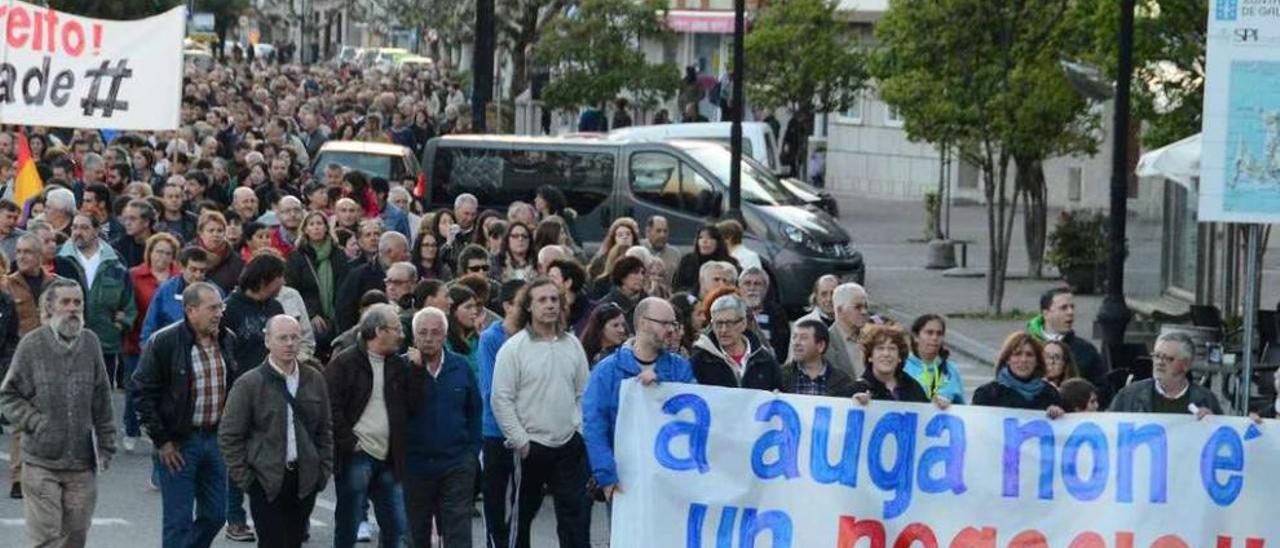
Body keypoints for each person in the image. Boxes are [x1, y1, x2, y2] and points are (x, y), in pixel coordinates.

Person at [0, 278, 116, 548]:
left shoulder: (90, 343)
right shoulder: (32, 345)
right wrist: (36, 422)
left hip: (81, 463)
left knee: (75, 536)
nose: (73, 308)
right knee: (47, 537)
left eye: (78, 303)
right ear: (49, 307)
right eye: (65, 302)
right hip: (41, 461)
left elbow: (102, 397)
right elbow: (8, 395)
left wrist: (107, 443)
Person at [132, 281, 240, 548]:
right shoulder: (165, 342)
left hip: (215, 441)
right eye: (212, 308)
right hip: (179, 444)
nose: (219, 313)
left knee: (215, 515)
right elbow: (142, 393)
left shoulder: (227, 339)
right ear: (191, 311)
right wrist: (162, 442)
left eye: (220, 307)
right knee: (177, 522)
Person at [490, 277, 592, 548]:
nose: (549, 305)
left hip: (569, 446)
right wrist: (521, 441)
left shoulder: (573, 345)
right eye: (542, 300)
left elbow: (584, 393)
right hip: (531, 448)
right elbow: (501, 399)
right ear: (529, 307)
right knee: (521, 518)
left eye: (554, 299)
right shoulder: (514, 348)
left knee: (575, 519)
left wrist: (579, 431)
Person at [219, 315, 333, 548]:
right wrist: (247, 480)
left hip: (304, 479)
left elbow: (325, 429)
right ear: (267, 341)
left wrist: (322, 471)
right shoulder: (249, 384)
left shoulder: (314, 379)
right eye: (282, 338)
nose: (290, 343)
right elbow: (230, 436)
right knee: (272, 542)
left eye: (294, 337)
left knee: (293, 542)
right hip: (265, 479)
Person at [583, 297, 694, 502]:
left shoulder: (679, 367)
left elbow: (694, 409)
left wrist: (662, 388)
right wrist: (606, 475)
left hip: (670, 477)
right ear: (643, 323)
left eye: (673, 323)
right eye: (665, 323)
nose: (671, 329)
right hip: (625, 477)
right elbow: (595, 424)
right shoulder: (607, 370)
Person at [325, 303, 413, 548]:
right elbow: (330, 407)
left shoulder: (400, 365)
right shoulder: (344, 363)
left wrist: (417, 372)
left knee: (397, 527)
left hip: (390, 457)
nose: (402, 334)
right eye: (396, 329)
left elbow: (414, 405)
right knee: (349, 524)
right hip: (357, 454)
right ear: (378, 331)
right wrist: (349, 442)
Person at [402, 307, 482, 548]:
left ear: (444, 335)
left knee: (458, 532)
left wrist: (471, 454)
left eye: (435, 332)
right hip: (415, 465)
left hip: (456, 463)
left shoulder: (460, 367)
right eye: (422, 333)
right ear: (414, 336)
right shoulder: (401, 368)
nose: (428, 338)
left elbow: (474, 411)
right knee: (416, 533)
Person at [54, 212, 137, 389]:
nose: (78, 232)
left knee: (101, 400)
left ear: (96, 230)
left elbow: (129, 302)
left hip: (104, 344)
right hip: (66, 342)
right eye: (74, 227)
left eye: (84, 227)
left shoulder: (114, 261)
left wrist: (120, 326)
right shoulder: (59, 258)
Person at [476, 279, 525, 547]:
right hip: (496, 431)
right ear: (507, 306)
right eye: (522, 303)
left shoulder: (533, 337)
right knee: (494, 497)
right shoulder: (492, 339)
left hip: (530, 430)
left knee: (523, 499)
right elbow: (492, 390)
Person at [122, 232, 182, 451]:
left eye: (168, 253)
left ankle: (155, 428)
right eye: (159, 252)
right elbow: (127, 304)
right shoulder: (134, 275)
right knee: (134, 388)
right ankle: (131, 427)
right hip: (137, 341)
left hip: (169, 347)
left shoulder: (179, 278)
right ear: (150, 253)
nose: (163, 257)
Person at [1109, 332, 1223, 418]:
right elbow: (1109, 430)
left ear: (1186, 364)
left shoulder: (1207, 400)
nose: (1159, 362)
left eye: (1168, 358)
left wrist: (1212, 424)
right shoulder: (1129, 396)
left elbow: (1222, 441)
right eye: (1157, 356)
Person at [285, 210, 351, 360]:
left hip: (337, 315)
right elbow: (293, 289)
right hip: (311, 316)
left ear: (327, 228)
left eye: (319, 224)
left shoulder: (339, 254)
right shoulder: (297, 257)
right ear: (305, 229)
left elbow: (345, 285)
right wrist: (311, 314)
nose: (316, 228)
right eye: (312, 224)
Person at [1026, 287, 1109, 404]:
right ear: (1046, 314)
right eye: (1063, 308)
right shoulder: (1026, 348)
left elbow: (1103, 391)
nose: (1070, 312)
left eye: (1072, 307)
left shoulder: (1086, 350)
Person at [690, 293, 783, 391]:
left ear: (743, 324)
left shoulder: (764, 359)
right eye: (718, 324)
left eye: (729, 323)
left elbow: (779, 394)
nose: (723, 330)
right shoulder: (701, 359)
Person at [972, 332, 1065, 417]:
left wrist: (1058, 414)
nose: (1023, 360)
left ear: (1037, 361)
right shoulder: (987, 394)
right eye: (1017, 354)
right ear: (1007, 359)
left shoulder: (1050, 394)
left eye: (1029, 355)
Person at [335, 231, 410, 332]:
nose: (408, 255)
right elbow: (344, 311)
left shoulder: (409, 273)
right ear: (389, 252)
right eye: (404, 251)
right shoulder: (359, 276)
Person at [850, 324, 935, 405]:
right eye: (880, 348)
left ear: (899, 357)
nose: (886, 354)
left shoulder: (914, 388)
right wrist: (854, 405)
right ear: (870, 356)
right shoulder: (856, 390)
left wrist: (939, 406)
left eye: (892, 348)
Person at [141, 246, 210, 344]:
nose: (198, 275)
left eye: (202, 271)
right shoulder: (165, 291)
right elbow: (150, 326)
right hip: (170, 351)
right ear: (182, 268)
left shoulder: (215, 292)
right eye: (193, 270)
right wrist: (148, 354)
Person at [903, 314, 966, 404]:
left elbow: (963, 408)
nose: (934, 338)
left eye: (939, 334)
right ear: (916, 337)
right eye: (929, 333)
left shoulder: (951, 370)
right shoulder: (902, 367)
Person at [819, 282, 874, 379]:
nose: (864, 312)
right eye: (858, 307)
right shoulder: (825, 345)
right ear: (840, 311)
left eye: (865, 307)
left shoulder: (873, 338)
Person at [739, 266, 788, 356]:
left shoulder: (777, 314)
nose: (752, 288)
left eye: (757, 284)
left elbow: (781, 349)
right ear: (739, 288)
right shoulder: (732, 312)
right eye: (747, 283)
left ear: (765, 289)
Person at [673, 225, 737, 293]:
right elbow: (677, 287)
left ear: (718, 242)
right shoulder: (687, 260)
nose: (704, 241)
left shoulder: (730, 263)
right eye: (701, 238)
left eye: (709, 238)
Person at [111, 198, 158, 268]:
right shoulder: (118, 246)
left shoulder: (160, 243)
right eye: (125, 219)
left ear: (146, 222)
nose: (127, 223)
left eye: (132, 219)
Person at [445, 284, 482, 374]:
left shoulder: (476, 338)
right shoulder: (444, 341)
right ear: (453, 310)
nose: (474, 311)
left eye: (475, 306)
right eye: (468, 307)